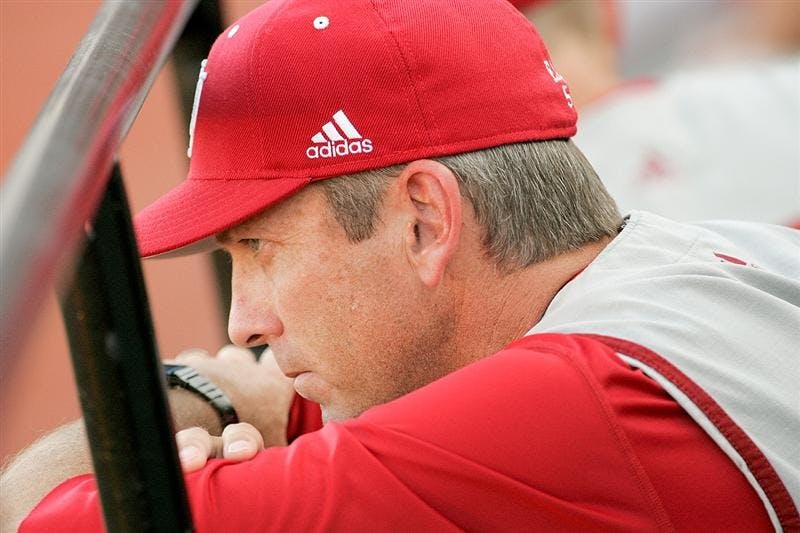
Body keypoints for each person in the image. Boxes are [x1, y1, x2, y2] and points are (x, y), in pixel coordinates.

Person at [2, 0, 799, 530]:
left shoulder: (578, 406)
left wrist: (203, 392)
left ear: (425, 221)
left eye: (259, 248)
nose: (243, 321)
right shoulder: (689, 268)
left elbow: (35, 516)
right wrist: (234, 395)